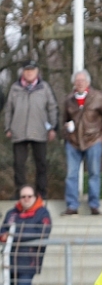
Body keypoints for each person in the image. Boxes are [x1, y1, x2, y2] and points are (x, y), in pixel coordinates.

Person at [62, 70, 102, 216]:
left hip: (93, 141)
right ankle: (72, 206)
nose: (79, 83)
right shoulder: (68, 100)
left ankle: (94, 205)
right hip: (73, 142)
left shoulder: (99, 97)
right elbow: (65, 119)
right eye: (77, 81)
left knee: (94, 174)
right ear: (74, 83)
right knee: (71, 175)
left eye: (82, 81)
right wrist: (66, 131)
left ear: (88, 82)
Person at [5, 61, 59, 198]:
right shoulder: (15, 88)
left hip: (39, 131)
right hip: (19, 131)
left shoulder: (44, 87)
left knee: (41, 163)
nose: (29, 73)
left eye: (32, 70)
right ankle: (21, 193)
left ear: (37, 71)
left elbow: (52, 107)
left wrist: (53, 127)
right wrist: (8, 127)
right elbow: (8, 110)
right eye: (26, 70)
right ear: (22, 72)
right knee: (18, 164)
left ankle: (41, 192)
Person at [0, 185, 52, 285]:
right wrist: (4, 236)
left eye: (29, 196)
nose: (26, 199)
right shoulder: (12, 213)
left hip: (30, 259)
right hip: (10, 259)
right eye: (23, 196)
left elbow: (42, 233)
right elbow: (3, 231)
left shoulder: (42, 213)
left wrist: (14, 236)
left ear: (35, 197)